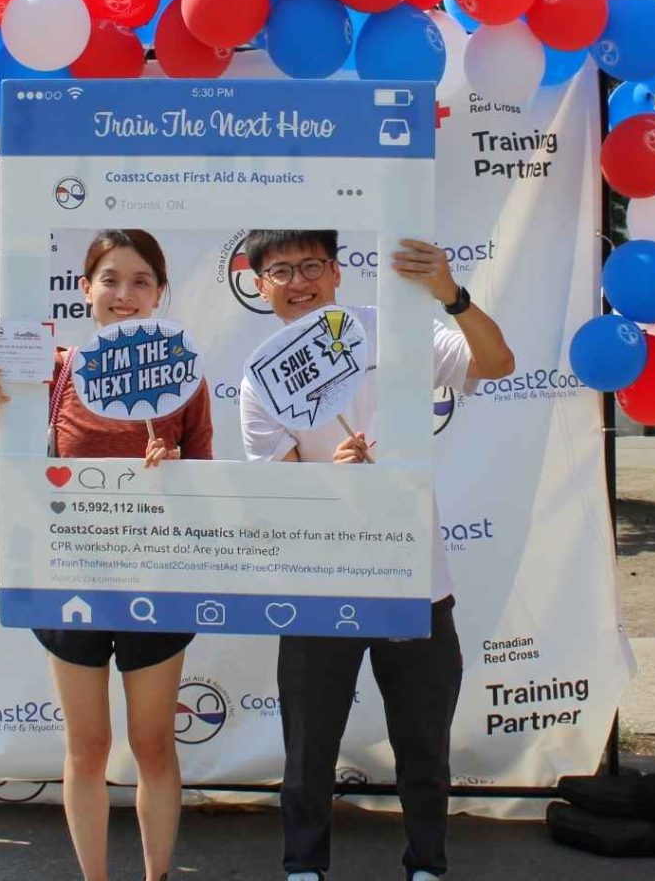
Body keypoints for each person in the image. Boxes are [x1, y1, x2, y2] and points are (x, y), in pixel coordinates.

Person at [238, 230, 514, 881]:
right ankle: (304, 867)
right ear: (260, 286)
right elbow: (279, 494)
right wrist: (333, 481)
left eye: (311, 265)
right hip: (318, 587)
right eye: (281, 271)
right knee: (310, 746)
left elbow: (497, 363)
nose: (299, 281)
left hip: (414, 582)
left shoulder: (393, 333)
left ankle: (427, 865)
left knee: (423, 741)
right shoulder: (261, 377)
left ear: (336, 273)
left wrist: (452, 296)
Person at [0, 229, 213, 881]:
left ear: (160, 293)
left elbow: (208, 487)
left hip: (157, 582)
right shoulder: (51, 371)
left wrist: (176, 472)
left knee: (153, 745)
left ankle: (157, 876)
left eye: (141, 281)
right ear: (85, 290)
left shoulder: (184, 381)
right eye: (110, 279)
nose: (124, 293)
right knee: (87, 748)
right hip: (69, 578)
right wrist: (1, 417)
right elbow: (24, 476)